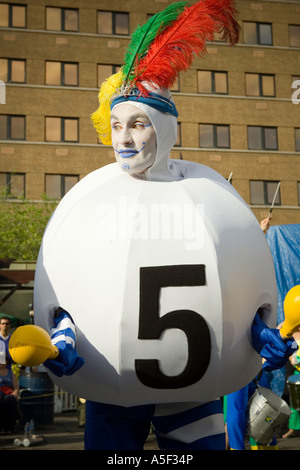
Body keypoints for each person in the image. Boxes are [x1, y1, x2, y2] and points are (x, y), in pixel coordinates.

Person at [36, 0, 296, 450]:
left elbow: (238, 282)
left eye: (138, 124)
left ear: (166, 127)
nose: (124, 139)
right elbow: (73, 283)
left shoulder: (210, 194)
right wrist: (61, 333)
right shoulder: (93, 199)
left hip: (189, 395)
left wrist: (260, 334)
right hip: (112, 390)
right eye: (117, 125)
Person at [281, 329, 300, 438]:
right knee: (295, 402)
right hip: (297, 372)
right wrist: (292, 359)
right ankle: (293, 429)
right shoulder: (294, 335)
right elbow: (290, 352)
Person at [0, 357, 19, 433]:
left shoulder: (11, 373)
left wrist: (15, 393)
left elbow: (16, 387)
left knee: (11, 400)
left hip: (8, 393)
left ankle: (9, 427)